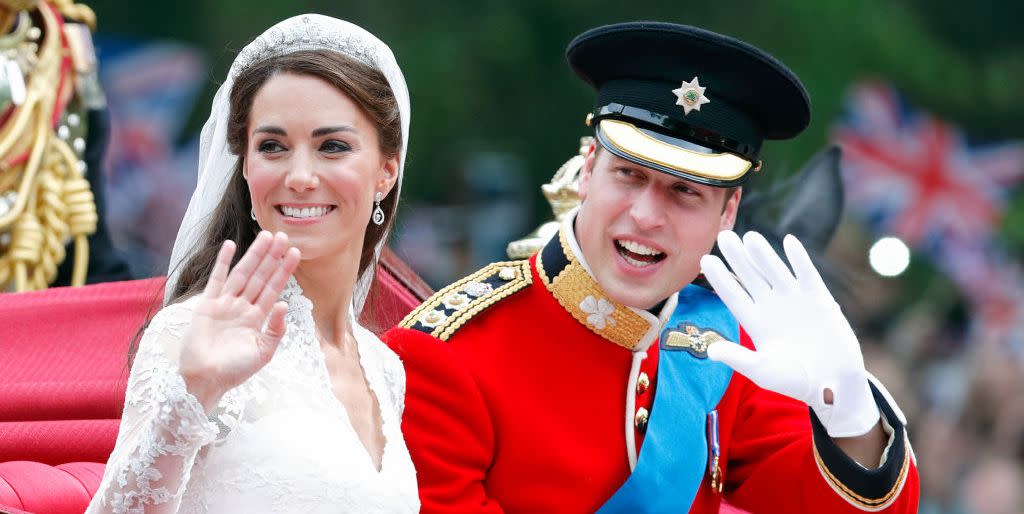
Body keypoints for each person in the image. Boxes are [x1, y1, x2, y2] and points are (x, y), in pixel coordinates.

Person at [385, 22, 919, 513]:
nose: (645, 215)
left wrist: (849, 415)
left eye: (684, 192)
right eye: (628, 176)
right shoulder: (448, 352)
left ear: (727, 213)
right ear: (589, 169)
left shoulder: (724, 349)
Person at [86, 14, 418, 513]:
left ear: (386, 172)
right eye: (272, 147)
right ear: (245, 168)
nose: (300, 175)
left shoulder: (385, 369)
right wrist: (193, 393)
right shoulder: (187, 333)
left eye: (332, 147)